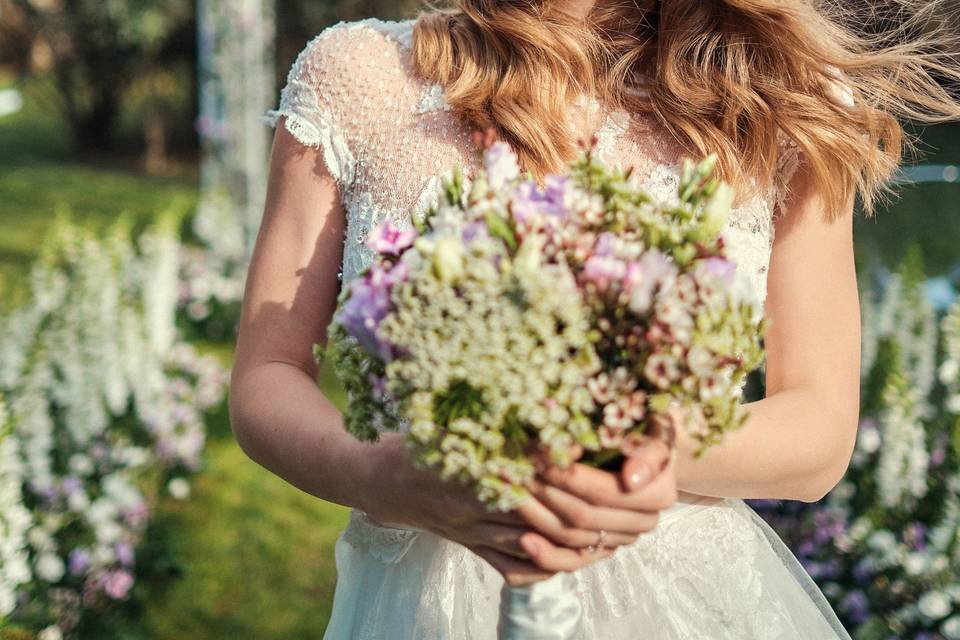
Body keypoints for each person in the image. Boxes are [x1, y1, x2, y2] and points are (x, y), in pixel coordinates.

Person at [228, 1, 960, 637]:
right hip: (426, 603)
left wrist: (642, 456)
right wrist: (379, 474)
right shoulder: (359, 78)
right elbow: (267, 373)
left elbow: (820, 431)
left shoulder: (780, 100)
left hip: (689, 608)